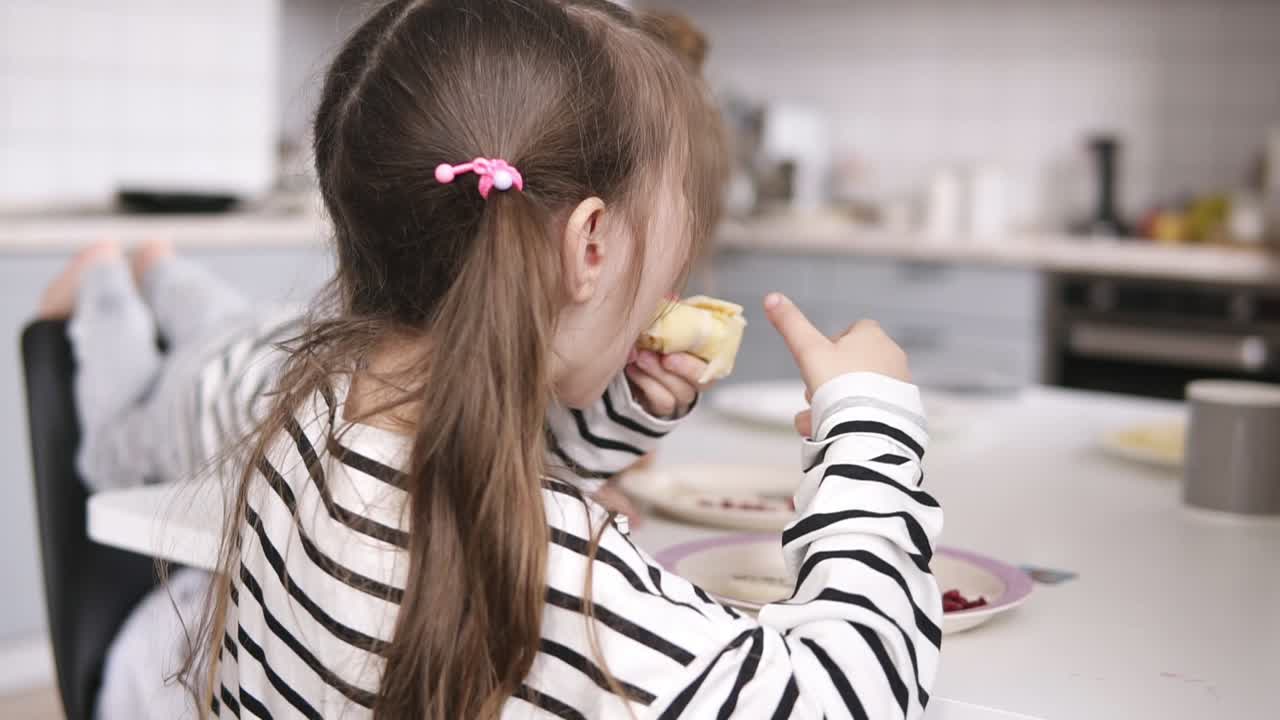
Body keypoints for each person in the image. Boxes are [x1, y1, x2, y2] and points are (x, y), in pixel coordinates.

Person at [47, 0, 942, 717]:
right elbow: (854, 690)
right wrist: (868, 426)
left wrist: (622, 407)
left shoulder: (308, 425)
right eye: (677, 224)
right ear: (589, 246)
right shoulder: (550, 581)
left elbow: (492, 436)